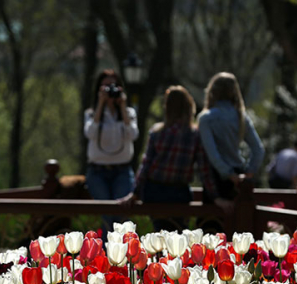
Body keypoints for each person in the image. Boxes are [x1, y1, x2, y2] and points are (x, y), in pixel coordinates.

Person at [119, 86, 219, 232]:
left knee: (160, 231)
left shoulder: (157, 132)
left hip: (154, 192)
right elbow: (204, 170)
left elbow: (145, 165)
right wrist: (215, 196)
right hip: (179, 193)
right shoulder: (195, 135)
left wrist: (135, 193)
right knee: (178, 231)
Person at [197, 72, 265, 209]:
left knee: (212, 226)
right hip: (239, 175)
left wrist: (228, 174)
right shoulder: (241, 116)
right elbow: (258, 149)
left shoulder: (206, 118)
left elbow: (212, 153)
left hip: (216, 178)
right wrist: (249, 173)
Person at [84, 69, 139, 237]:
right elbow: (90, 133)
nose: (110, 90)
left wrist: (122, 107)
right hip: (98, 172)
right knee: (107, 215)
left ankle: (118, 257)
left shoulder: (129, 113)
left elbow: (133, 134)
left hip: (122, 171)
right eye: (106, 86)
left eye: (114, 86)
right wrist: (100, 105)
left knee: (120, 215)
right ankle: (107, 258)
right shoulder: (91, 113)